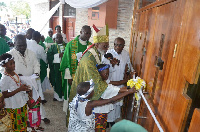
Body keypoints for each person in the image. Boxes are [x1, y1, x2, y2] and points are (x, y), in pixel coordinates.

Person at [69, 24, 111, 129]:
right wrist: (113, 89)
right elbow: (95, 81)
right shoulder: (89, 59)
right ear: (96, 45)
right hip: (84, 92)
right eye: (105, 46)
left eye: (107, 45)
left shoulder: (96, 52)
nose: (107, 49)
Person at [7, 34, 50, 124]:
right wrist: (15, 75)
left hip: (32, 81)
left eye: (24, 45)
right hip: (18, 83)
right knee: (21, 102)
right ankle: (25, 118)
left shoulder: (31, 53)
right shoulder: (9, 55)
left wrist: (36, 72)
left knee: (36, 99)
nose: (22, 47)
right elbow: (2, 69)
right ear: (14, 44)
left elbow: (36, 64)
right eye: (19, 45)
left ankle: (42, 116)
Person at [68, 80, 136, 132]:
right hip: (84, 129)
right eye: (92, 91)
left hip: (75, 128)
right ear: (88, 94)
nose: (94, 92)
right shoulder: (89, 104)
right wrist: (128, 92)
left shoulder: (76, 98)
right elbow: (111, 100)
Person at [102, 37, 134, 126]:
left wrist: (131, 72)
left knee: (118, 101)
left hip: (121, 80)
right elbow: (103, 69)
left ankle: (113, 119)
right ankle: (107, 120)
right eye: (116, 45)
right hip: (111, 81)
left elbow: (128, 65)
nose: (117, 47)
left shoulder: (125, 54)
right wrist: (111, 66)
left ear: (123, 46)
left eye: (120, 45)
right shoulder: (108, 54)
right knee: (110, 100)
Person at [60, 25, 92, 113]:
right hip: (73, 76)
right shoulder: (71, 44)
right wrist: (69, 76)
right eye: (86, 33)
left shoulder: (91, 46)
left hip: (85, 77)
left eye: (90, 33)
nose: (88, 35)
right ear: (81, 32)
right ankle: (70, 113)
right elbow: (66, 62)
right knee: (72, 94)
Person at [0, 53, 30, 131]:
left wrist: (23, 87)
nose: (13, 65)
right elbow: (5, 95)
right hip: (13, 105)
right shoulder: (4, 79)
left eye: (14, 63)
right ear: (4, 66)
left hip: (21, 102)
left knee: (23, 122)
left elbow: (16, 84)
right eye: (11, 64)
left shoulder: (14, 73)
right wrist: (19, 89)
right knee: (16, 125)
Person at [47, 33, 66, 101]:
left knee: (65, 81)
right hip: (56, 68)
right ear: (55, 39)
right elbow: (49, 57)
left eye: (61, 37)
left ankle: (65, 96)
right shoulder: (53, 47)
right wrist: (58, 55)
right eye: (58, 38)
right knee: (56, 80)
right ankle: (57, 96)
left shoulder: (66, 46)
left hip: (65, 68)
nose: (60, 39)